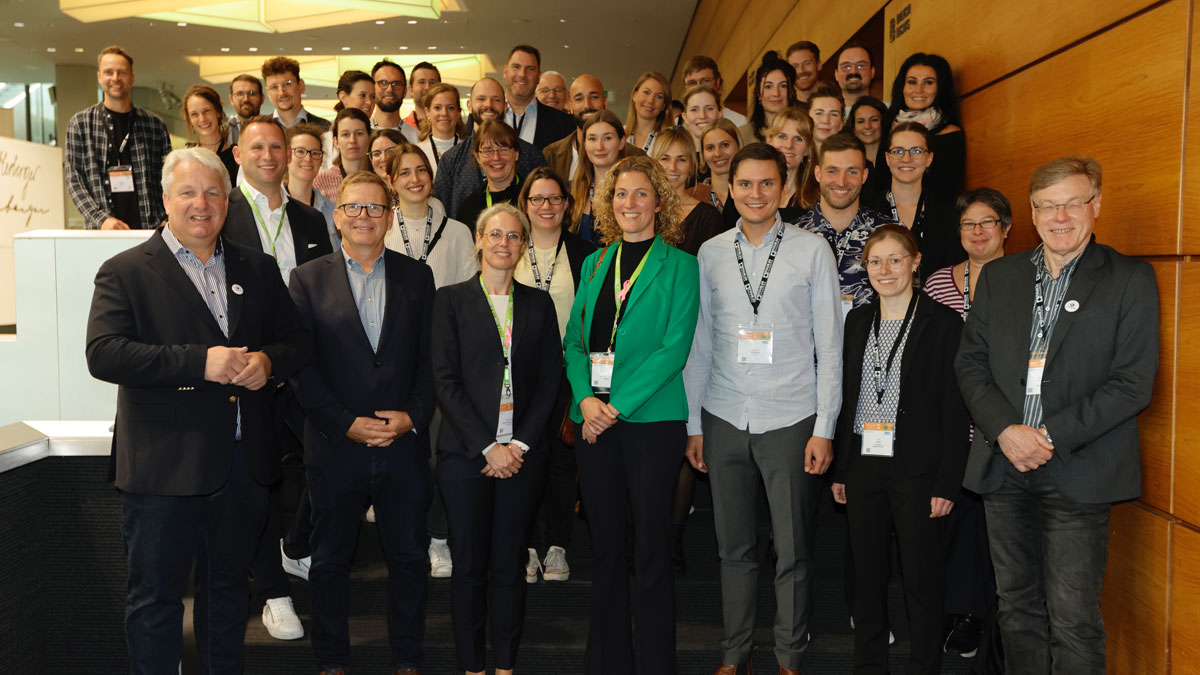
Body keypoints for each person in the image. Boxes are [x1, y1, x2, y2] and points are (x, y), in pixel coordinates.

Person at [85, 147, 311, 673]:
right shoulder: (124, 270)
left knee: (229, 596)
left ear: (228, 202)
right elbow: (104, 353)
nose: (202, 204)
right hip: (162, 467)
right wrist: (198, 363)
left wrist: (268, 362)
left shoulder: (256, 267)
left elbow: (297, 342)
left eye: (213, 193)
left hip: (242, 466)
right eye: (188, 192)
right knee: (156, 599)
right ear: (166, 199)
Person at [956, 157, 1160, 674]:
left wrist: (1045, 436)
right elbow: (970, 364)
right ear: (1031, 211)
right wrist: (1006, 432)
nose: (1060, 215)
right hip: (1004, 469)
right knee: (1016, 610)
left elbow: (1132, 383)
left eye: (1072, 202)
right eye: (1047, 205)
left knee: (1073, 619)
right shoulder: (1000, 276)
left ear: (1096, 205)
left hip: (1079, 469)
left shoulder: (1128, 278)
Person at [684, 142, 842, 675]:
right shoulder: (709, 253)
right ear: (731, 189)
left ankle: (789, 656)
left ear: (786, 187)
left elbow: (831, 345)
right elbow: (700, 343)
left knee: (793, 551)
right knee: (733, 548)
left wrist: (825, 427)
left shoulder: (812, 250)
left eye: (766, 183)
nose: (755, 193)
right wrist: (693, 424)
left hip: (792, 415)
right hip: (724, 412)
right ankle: (735, 651)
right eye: (745, 184)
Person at [289, 170, 437, 675]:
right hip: (336, 445)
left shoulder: (418, 276)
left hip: (403, 444)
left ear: (390, 217)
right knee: (329, 561)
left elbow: (429, 360)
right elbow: (300, 367)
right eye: (353, 207)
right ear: (338, 214)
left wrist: (414, 416)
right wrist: (344, 422)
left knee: (410, 559)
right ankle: (332, 661)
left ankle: (407, 660)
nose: (363, 217)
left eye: (375, 208)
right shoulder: (307, 279)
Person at [563, 155, 699, 675]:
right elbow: (576, 343)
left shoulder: (681, 266)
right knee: (605, 550)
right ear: (608, 203)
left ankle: (655, 664)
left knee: (651, 549)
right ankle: (608, 661)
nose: (630, 204)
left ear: (658, 202)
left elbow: (674, 349)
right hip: (596, 421)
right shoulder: (596, 263)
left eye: (641, 194)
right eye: (621, 194)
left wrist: (614, 407)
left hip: (651, 424)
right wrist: (587, 403)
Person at [431, 203, 563, 675]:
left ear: (524, 246)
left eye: (514, 236)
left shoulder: (539, 303)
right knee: (468, 566)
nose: (504, 243)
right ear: (479, 242)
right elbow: (444, 381)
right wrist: (489, 447)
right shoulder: (450, 300)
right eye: (495, 235)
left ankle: (504, 665)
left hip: (523, 456)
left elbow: (551, 381)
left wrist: (519, 445)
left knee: (510, 565)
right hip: (466, 456)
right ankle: (471, 666)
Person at [832, 224, 969, 675]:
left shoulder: (944, 322)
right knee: (867, 574)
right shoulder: (856, 320)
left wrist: (949, 480)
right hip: (864, 465)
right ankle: (869, 663)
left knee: (921, 576)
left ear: (915, 262)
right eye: (875, 261)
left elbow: (955, 407)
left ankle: (923, 663)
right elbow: (848, 396)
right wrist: (841, 468)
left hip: (918, 469)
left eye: (895, 259)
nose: (885, 270)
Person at [923, 187, 1012, 658]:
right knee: (951, 521)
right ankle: (956, 611)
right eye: (968, 225)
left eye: (987, 223)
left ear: (1007, 229)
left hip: (1001, 426)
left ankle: (978, 616)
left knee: (986, 528)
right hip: (948, 425)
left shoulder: (1026, 278)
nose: (977, 233)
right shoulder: (938, 282)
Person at [513, 167, 596, 584]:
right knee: (523, 458)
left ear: (567, 205)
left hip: (569, 375)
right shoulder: (510, 247)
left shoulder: (587, 254)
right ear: (524, 206)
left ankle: (558, 546)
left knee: (564, 462)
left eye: (554, 199)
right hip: (519, 373)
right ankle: (525, 545)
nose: (545, 206)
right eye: (536, 199)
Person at [67, 45, 171, 230]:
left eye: (122, 72)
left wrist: (167, 217)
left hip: (151, 230)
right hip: (104, 231)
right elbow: (74, 179)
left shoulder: (155, 125)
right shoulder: (80, 124)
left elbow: (170, 177)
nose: (115, 78)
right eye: (109, 72)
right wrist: (101, 219)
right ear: (99, 76)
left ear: (132, 78)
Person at [224, 115, 333, 286]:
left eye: (276, 147)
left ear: (288, 155)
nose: (268, 156)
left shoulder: (313, 220)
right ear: (238, 155)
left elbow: (325, 285)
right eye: (257, 147)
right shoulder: (221, 215)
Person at [796, 133, 892, 314]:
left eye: (852, 172)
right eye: (832, 171)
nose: (841, 181)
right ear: (818, 174)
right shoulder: (792, 236)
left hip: (872, 341)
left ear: (864, 175)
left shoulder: (889, 233)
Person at [433, 77, 546, 221]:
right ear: (469, 105)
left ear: (505, 106)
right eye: (481, 99)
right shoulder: (450, 160)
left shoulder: (531, 154)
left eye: (496, 99)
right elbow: (441, 215)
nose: (488, 105)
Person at [863, 122, 963, 279]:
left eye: (916, 151)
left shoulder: (949, 214)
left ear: (929, 158)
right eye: (898, 151)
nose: (906, 159)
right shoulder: (866, 211)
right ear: (888, 158)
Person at [384, 142, 477, 288]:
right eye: (405, 173)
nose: (415, 179)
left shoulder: (459, 232)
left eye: (421, 170)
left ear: (430, 175)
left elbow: (469, 294)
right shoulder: (382, 231)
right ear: (391, 181)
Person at [885, 53, 965, 204]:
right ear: (902, 87)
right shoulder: (888, 129)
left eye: (928, 83)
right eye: (912, 82)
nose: (919, 90)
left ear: (940, 88)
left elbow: (945, 193)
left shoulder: (949, 134)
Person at [651, 128, 726, 256]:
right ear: (654, 163)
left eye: (681, 159)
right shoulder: (642, 210)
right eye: (665, 158)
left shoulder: (708, 218)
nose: (673, 167)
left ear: (691, 165)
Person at [570, 110, 631, 243]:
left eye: (607, 138)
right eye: (592, 139)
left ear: (621, 142)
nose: (599, 147)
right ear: (584, 144)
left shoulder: (633, 192)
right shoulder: (572, 190)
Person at [502, 45, 575, 150]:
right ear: (505, 71)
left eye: (530, 69)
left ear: (538, 76)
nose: (522, 74)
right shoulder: (487, 117)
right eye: (516, 67)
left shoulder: (564, 123)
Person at [543, 74, 613, 182]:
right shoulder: (551, 155)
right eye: (579, 99)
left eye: (594, 97)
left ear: (605, 102)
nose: (587, 105)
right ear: (570, 105)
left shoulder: (630, 155)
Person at [457, 120, 525, 230]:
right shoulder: (468, 208)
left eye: (503, 149)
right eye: (487, 151)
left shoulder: (532, 199)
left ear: (516, 154)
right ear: (478, 157)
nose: (496, 157)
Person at [285, 123, 338, 250]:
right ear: (287, 156)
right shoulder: (272, 207)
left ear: (321, 160)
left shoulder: (333, 212)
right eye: (300, 151)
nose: (308, 159)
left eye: (314, 153)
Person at [763, 107, 819, 218]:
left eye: (798, 139)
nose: (789, 145)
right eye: (782, 136)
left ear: (808, 149)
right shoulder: (751, 189)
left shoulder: (819, 198)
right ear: (769, 141)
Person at [182, 84, 239, 182]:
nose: (202, 119)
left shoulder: (236, 156)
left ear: (218, 112)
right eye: (194, 114)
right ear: (189, 119)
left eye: (206, 111)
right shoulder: (185, 158)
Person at [739, 53, 797, 145]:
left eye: (783, 86)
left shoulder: (803, 130)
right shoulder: (742, 135)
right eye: (768, 87)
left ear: (792, 92)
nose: (776, 93)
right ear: (758, 94)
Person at [314, 108, 370, 201]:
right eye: (345, 134)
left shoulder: (380, 177)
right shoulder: (321, 182)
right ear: (336, 141)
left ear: (369, 138)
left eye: (359, 133)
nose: (352, 140)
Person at [415, 82, 466, 179]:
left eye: (450, 108)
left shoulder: (469, 150)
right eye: (437, 108)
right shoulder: (417, 152)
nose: (444, 113)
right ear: (428, 112)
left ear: (458, 113)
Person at [262, 56, 329, 130]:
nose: (281, 93)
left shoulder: (324, 128)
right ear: (268, 93)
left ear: (301, 86)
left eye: (287, 84)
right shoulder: (261, 129)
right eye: (274, 87)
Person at [682, 55, 748, 126]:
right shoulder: (676, 127)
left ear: (718, 83)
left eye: (705, 81)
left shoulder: (740, 123)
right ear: (685, 88)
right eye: (692, 83)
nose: (698, 87)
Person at [700, 118, 741, 217]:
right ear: (703, 154)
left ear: (739, 146)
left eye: (724, 145)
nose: (717, 154)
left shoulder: (753, 193)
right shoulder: (694, 195)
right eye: (710, 148)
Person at [848, 96, 888, 197]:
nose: (867, 126)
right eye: (861, 121)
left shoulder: (897, 157)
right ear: (853, 127)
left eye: (874, 120)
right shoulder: (847, 160)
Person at [624, 71, 672, 154]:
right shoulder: (618, 134)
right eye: (646, 92)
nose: (651, 100)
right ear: (634, 95)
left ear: (663, 105)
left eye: (659, 96)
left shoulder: (669, 140)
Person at [371, 59, 417, 141]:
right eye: (383, 83)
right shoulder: (360, 134)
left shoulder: (417, 138)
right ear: (372, 88)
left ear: (404, 91)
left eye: (396, 84)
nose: (389, 89)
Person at [682, 85, 722, 167]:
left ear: (720, 113)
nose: (702, 116)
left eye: (709, 108)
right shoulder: (675, 158)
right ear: (685, 117)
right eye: (694, 110)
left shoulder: (730, 156)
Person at [834, 43, 876, 111]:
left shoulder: (888, 112)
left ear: (872, 72)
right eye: (846, 67)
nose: (853, 71)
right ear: (836, 74)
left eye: (861, 66)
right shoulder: (825, 116)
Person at [226, 74, 264, 146]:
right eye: (240, 94)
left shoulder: (274, 128)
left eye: (251, 93)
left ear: (262, 98)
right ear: (231, 99)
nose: (246, 99)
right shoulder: (223, 134)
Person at [405, 61, 442, 130]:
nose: (427, 87)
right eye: (421, 82)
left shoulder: (450, 126)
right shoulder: (402, 128)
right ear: (411, 90)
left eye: (432, 82)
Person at [808, 84, 845, 150]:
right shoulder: (794, 157)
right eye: (819, 113)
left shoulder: (850, 159)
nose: (825, 121)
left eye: (833, 114)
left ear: (842, 123)